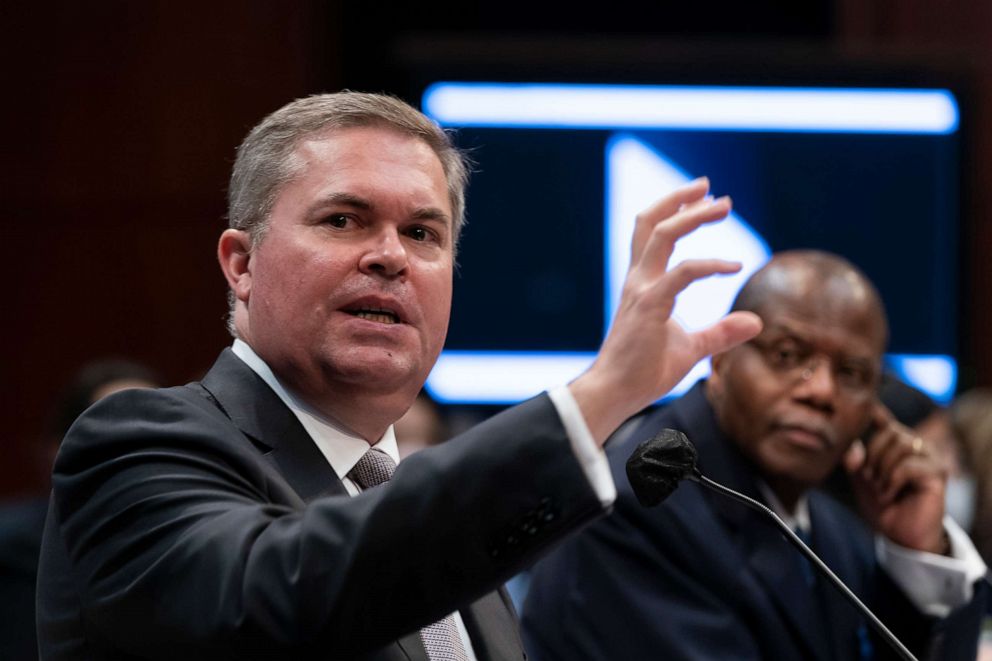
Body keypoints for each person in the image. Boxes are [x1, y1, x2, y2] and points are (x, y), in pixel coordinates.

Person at [36, 92, 761, 660]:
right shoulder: (134, 444)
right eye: (344, 220)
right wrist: (599, 397)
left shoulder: (447, 529)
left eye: (422, 233)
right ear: (242, 263)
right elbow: (279, 595)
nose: (391, 256)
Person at [522, 251, 988, 661]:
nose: (821, 391)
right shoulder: (635, 511)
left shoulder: (835, 530)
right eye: (787, 354)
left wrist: (916, 554)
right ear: (721, 363)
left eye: (851, 372)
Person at [0, 359, 161, 661]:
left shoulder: (183, 540)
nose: (140, 452)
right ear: (61, 450)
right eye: (120, 435)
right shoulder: (9, 546)